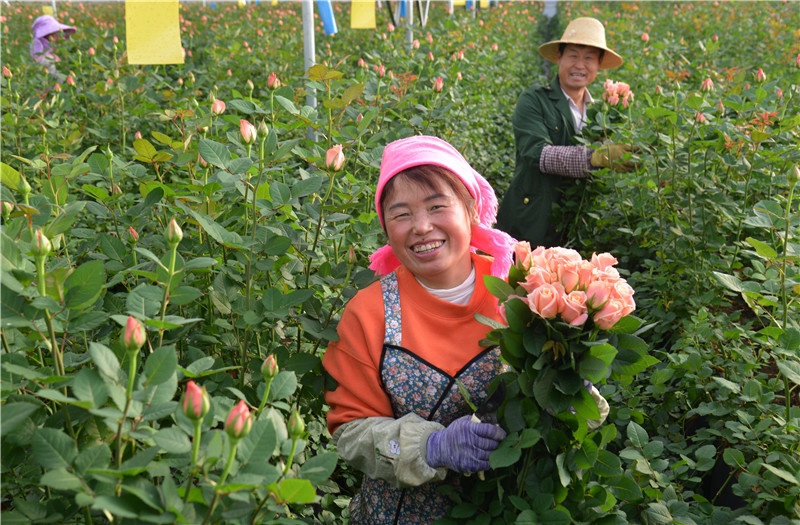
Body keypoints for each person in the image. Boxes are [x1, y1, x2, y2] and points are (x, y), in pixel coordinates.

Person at [322, 135, 518, 524]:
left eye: (436, 206)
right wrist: (432, 445)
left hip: (512, 507)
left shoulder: (521, 289)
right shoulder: (368, 313)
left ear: (469, 209)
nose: (422, 227)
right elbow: (350, 431)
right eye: (402, 214)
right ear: (386, 227)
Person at [496, 17, 633, 248]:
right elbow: (538, 154)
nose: (580, 65)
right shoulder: (534, 100)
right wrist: (596, 157)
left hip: (577, 226)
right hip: (531, 222)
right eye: (573, 55)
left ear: (599, 65)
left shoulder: (601, 114)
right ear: (559, 57)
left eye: (589, 57)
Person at [30, 14, 76, 80]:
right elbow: (37, 59)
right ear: (49, 35)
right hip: (47, 82)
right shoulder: (38, 45)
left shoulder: (44, 45)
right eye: (56, 34)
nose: (58, 36)